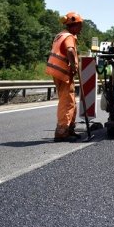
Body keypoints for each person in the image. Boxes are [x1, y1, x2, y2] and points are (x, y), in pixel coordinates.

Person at [45, 12, 83, 141]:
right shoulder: (69, 36)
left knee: (70, 101)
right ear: (74, 25)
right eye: (80, 25)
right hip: (62, 72)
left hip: (58, 72)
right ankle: (62, 131)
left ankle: (69, 129)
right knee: (66, 102)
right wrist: (74, 66)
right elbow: (70, 50)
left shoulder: (60, 35)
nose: (81, 28)